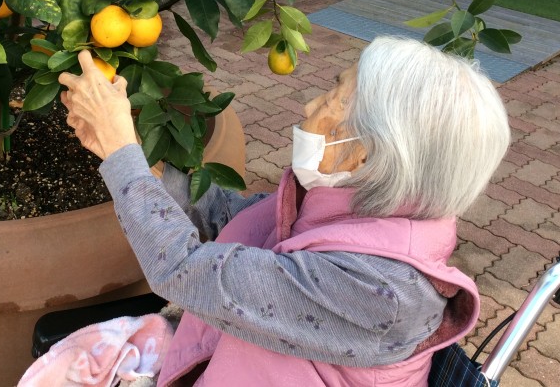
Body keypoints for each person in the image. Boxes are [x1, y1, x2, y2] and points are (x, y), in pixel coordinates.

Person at [58, 35, 511, 386]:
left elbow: (184, 269)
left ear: (365, 155)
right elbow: (228, 216)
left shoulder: (378, 292)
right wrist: (139, 157)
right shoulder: (356, 209)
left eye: (333, 96)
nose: (310, 105)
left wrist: (120, 153)